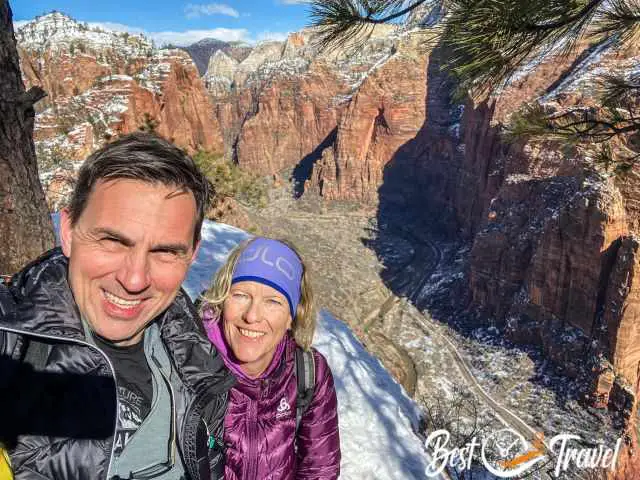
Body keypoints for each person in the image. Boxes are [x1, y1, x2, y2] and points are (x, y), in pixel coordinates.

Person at [0, 132, 235, 479]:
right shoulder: (11, 347)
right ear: (68, 231)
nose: (135, 279)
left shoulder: (196, 357)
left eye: (165, 251)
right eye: (112, 241)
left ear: (192, 254)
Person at [200, 237, 341, 479]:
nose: (253, 316)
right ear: (223, 299)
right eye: (241, 295)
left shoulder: (307, 373)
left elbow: (319, 469)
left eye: (273, 301)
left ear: (291, 317)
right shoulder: (190, 362)